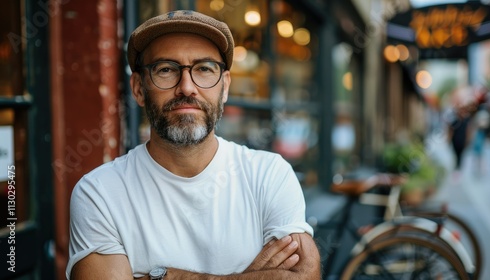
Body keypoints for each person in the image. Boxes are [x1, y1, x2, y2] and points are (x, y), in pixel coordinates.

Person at [66, 10, 320, 280]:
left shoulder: (269, 174)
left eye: (204, 69)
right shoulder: (99, 193)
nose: (187, 87)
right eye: (166, 69)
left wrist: (173, 277)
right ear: (139, 88)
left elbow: (302, 276)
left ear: (224, 88)